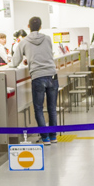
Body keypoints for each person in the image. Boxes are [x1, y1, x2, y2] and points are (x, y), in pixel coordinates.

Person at [11, 16, 58, 144]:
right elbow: (47, 54)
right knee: (52, 108)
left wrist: (29, 60)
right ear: (41, 26)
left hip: (38, 76)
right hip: (52, 74)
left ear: (28, 26)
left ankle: (45, 138)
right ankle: (53, 136)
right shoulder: (47, 39)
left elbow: (14, 62)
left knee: (38, 109)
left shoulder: (24, 42)